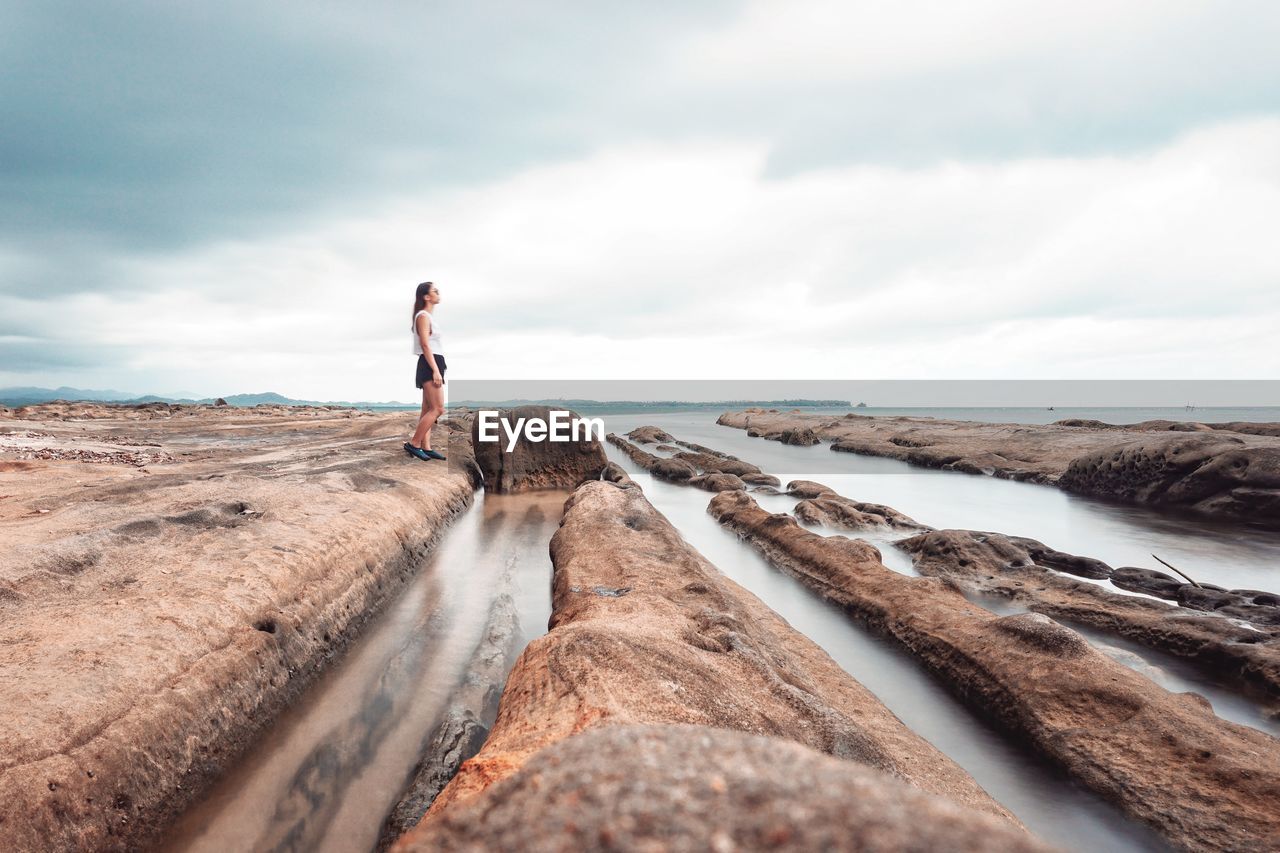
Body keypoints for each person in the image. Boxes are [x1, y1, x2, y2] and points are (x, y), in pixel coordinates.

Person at [404, 281, 447, 461]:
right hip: (430, 363)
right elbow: (424, 345)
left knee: (428, 407)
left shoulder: (428, 317)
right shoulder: (422, 316)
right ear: (427, 297)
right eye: (435, 291)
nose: (438, 292)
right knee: (438, 408)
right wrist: (435, 370)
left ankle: (426, 447)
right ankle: (414, 443)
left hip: (435, 361)